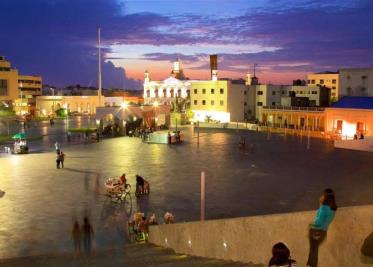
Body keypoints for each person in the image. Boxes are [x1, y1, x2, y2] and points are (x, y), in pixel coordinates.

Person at [306, 188, 337, 267]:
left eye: (323, 195)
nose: (321, 196)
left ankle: (312, 265)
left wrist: (311, 225)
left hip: (316, 231)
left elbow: (318, 222)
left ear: (325, 198)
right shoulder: (333, 208)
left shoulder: (323, 208)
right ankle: (309, 263)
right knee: (314, 248)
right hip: (323, 232)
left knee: (314, 250)